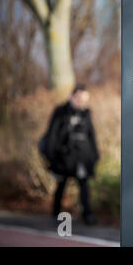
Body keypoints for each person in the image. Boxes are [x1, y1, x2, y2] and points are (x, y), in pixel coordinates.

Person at [44, 84, 99, 225]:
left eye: (85, 100)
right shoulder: (61, 111)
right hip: (63, 157)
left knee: (83, 185)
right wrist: (51, 156)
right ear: (71, 96)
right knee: (61, 185)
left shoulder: (86, 113)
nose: (82, 102)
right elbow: (52, 135)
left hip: (82, 157)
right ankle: (56, 214)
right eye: (79, 98)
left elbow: (91, 135)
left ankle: (87, 214)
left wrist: (95, 155)